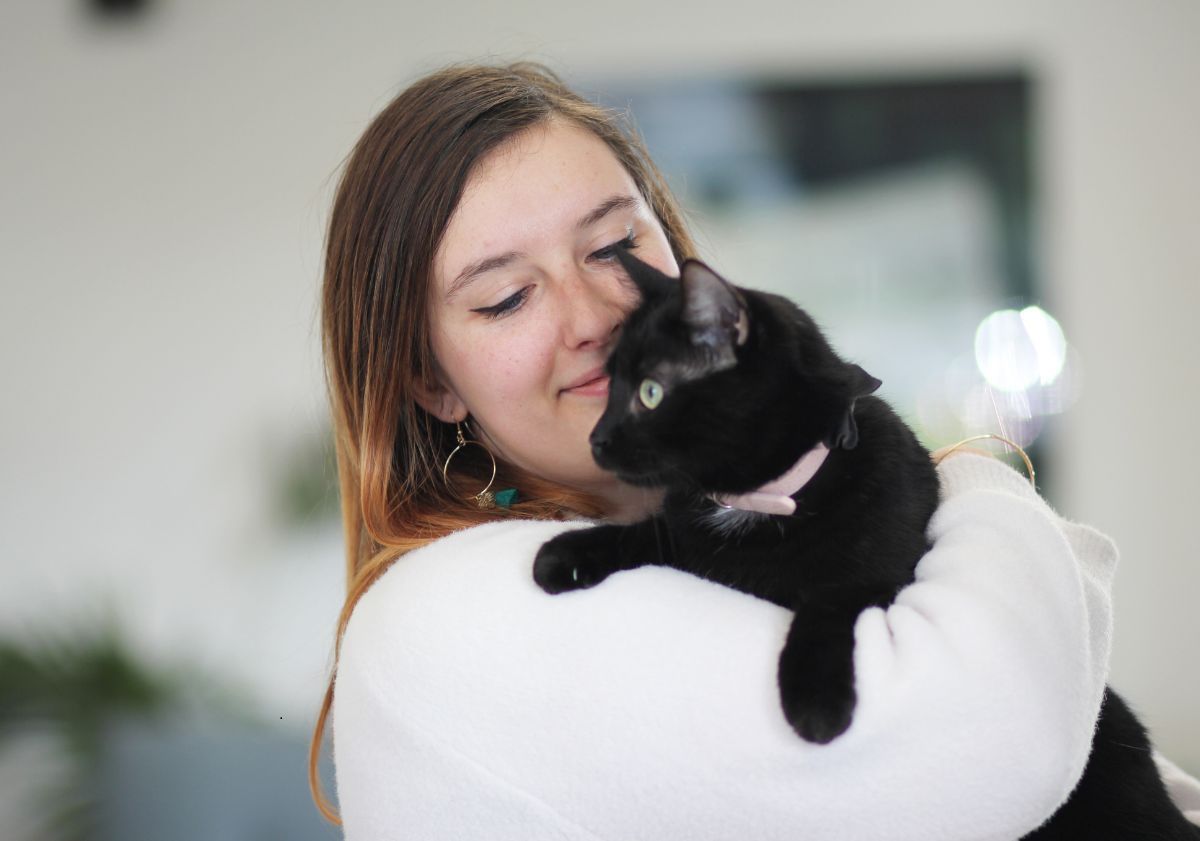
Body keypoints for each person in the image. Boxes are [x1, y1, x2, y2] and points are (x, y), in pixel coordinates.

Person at [309, 63, 1199, 839]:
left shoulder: (707, 541)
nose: (595, 319)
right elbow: (998, 736)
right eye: (506, 297)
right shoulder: (451, 609)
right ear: (430, 382)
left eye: (616, 245)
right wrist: (976, 483)